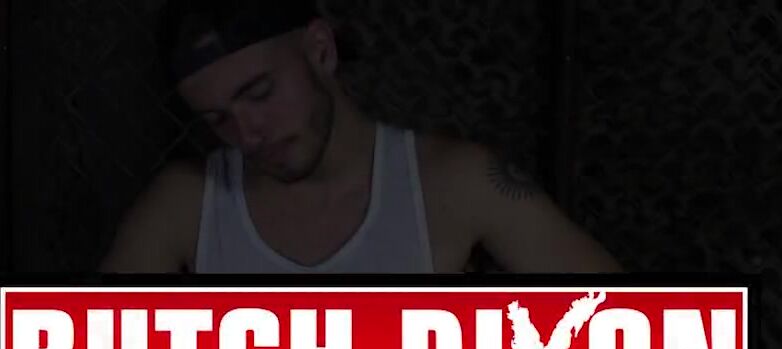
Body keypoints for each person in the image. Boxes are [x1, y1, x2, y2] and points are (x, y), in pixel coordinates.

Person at [99, 0, 622, 276]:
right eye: (219, 119)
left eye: (259, 93)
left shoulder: (452, 184)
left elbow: (629, 332)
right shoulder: (188, 203)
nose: (246, 133)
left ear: (320, 51)